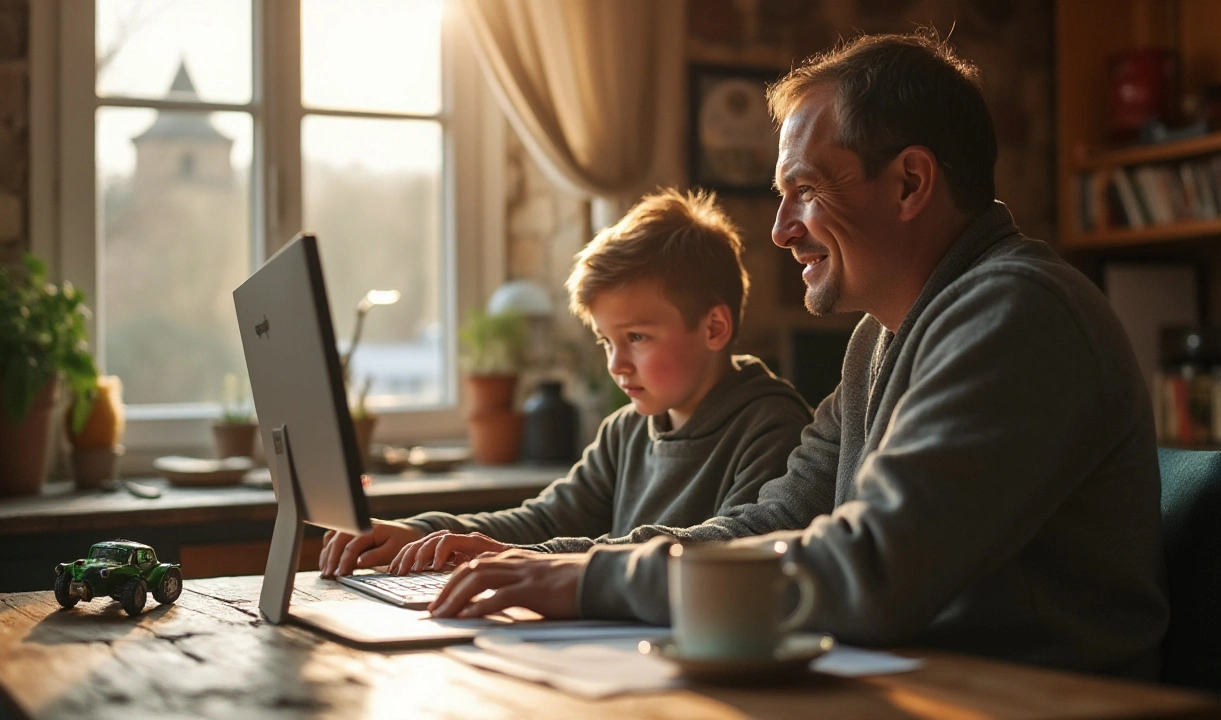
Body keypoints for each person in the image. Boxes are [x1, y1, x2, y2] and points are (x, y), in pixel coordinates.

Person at [422, 31, 1170, 681]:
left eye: (805, 190)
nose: (780, 230)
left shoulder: (1017, 313)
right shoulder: (879, 337)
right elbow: (775, 517)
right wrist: (573, 567)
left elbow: (872, 567)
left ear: (910, 182)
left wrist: (594, 582)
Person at [318, 188, 813, 578]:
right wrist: (421, 533)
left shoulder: (771, 426)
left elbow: (724, 552)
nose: (616, 363)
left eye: (637, 337)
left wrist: (526, 559)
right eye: (605, 341)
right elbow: (546, 520)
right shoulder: (624, 431)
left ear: (714, 329)